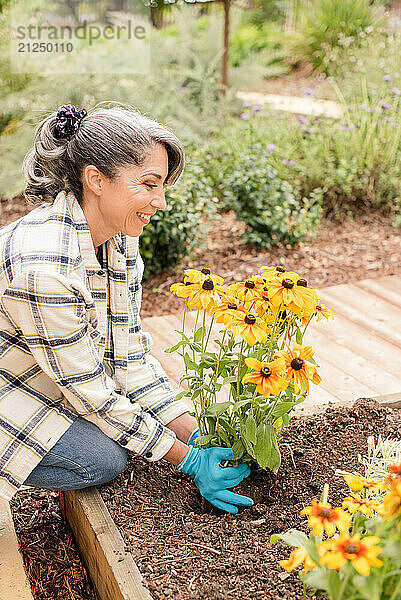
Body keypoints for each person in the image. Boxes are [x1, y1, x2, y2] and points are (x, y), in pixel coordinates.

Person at [0, 103, 253, 514]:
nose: (162, 202)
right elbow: (90, 392)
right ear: (96, 179)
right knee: (102, 459)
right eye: (149, 184)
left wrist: (199, 435)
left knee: (116, 434)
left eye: (163, 186)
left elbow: (129, 357)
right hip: (9, 381)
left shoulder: (119, 237)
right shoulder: (44, 267)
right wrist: (186, 460)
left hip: (40, 369)